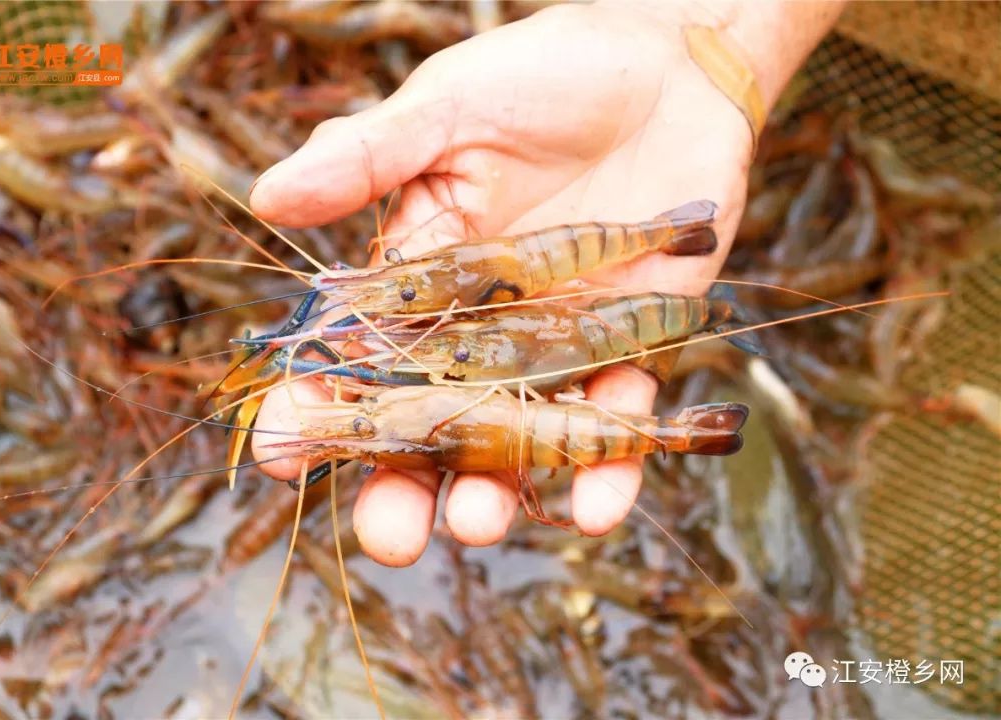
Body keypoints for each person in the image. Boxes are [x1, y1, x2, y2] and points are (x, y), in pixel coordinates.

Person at [247, 1, 845, 567]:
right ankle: (691, 356)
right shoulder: (479, 336)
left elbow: (492, 347)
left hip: (576, 321)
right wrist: (701, 46)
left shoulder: (502, 335)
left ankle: (698, 316)